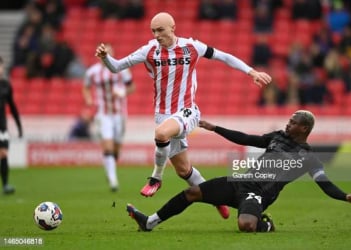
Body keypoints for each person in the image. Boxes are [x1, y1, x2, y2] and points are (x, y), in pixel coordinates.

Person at [95, 12, 272, 218]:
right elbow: (117, 67)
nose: (157, 35)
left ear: (172, 27)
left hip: (188, 111)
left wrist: (252, 72)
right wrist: (105, 58)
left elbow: (224, 56)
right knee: (183, 170)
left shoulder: (191, 47)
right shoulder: (149, 50)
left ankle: (156, 177)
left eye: (160, 30)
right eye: (153, 31)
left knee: (161, 134)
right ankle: (216, 199)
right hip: (163, 114)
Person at [126, 110, 351, 232]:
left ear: (304, 128)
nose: (288, 124)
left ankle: (267, 226)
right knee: (192, 193)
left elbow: (324, 183)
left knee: (246, 226)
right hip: (240, 182)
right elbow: (247, 138)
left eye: (293, 122)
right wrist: (215, 127)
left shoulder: (309, 157)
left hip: (258, 195)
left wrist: (345, 196)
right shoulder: (277, 137)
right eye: (289, 120)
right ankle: (150, 222)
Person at [84, 44, 136, 192]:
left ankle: (110, 170)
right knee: (107, 146)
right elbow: (86, 86)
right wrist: (88, 99)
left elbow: (132, 87)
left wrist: (121, 93)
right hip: (103, 114)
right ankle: (113, 181)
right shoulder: (92, 72)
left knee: (116, 150)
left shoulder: (122, 70)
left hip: (119, 114)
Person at [0, 56, 23, 194]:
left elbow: (13, 107)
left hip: (2, 126)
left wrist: (19, 126)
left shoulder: (6, 85)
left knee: (3, 153)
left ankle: (5, 185)